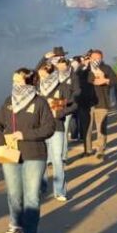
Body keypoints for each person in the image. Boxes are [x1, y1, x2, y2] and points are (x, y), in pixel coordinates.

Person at [0, 68, 55, 233]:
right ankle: (15, 222)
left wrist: (23, 134)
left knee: (31, 197)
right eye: (13, 81)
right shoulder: (9, 101)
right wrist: (0, 141)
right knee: (13, 193)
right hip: (11, 154)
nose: (14, 85)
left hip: (34, 155)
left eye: (18, 81)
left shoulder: (40, 102)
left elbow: (49, 128)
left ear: (28, 82)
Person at [38, 63, 76, 201]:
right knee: (41, 158)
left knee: (57, 159)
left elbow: (73, 105)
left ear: (51, 74)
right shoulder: (37, 88)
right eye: (40, 75)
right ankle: (41, 187)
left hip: (57, 127)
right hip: (41, 127)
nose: (40, 77)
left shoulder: (63, 87)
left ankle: (60, 191)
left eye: (43, 75)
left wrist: (59, 112)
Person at [85, 49, 117, 162]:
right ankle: (88, 150)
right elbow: (82, 81)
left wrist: (105, 80)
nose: (95, 60)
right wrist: (93, 79)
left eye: (98, 58)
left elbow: (115, 81)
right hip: (87, 103)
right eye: (93, 58)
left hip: (101, 102)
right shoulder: (86, 68)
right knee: (87, 129)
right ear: (90, 58)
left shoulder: (106, 68)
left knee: (101, 128)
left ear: (101, 58)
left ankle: (100, 150)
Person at [54, 56, 79, 161]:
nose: (61, 69)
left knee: (63, 131)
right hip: (55, 105)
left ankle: (63, 156)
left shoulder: (73, 77)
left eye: (63, 67)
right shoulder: (54, 76)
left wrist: (68, 101)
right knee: (54, 132)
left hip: (67, 107)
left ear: (68, 66)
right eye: (59, 67)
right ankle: (53, 156)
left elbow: (77, 91)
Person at [73, 55, 94, 145]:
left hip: (92, 100)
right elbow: (76, 78)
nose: (87, 61)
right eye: (85, 59)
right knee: (81, 120)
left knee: (89, 123)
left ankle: (84, 139)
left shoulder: (94, 69)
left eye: (89, 59)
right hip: (81, 99)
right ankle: (83, 139)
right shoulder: (79, 69)